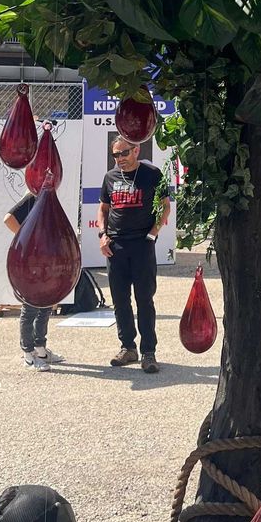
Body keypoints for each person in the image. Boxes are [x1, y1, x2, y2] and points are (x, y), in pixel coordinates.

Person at [99, 139, 171, 373]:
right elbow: (103, 209)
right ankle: (128, 347)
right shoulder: (110, 177)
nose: (119, 158)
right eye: (115, 155)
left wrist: (152, 234)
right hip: (115, 246)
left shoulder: (152, 174)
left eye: (124, 153)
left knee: (144, 300)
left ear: (136, 150)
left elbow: (165, 206)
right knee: (120, 301)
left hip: (142, 245)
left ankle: (148, 352)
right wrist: (102, 235)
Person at [4, 195, 63, 372]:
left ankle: (40, 349)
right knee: (30, 307)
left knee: (45, 304)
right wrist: (28, 239)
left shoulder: (50, 200)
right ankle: (28, 355)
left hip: (46, 261)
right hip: (30, 261)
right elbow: (8, 219)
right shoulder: (32, 197)